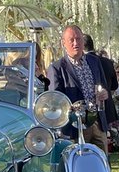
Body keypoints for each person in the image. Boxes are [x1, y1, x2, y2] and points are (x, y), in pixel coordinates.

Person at [46, 23, 110, 153]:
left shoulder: (94, 61)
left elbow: (104, 86)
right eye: (71, 40)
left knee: (102, 164)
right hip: (75, 128)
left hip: (97, 122)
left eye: (79, 39)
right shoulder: (57, 68)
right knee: (80, 165)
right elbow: (55, 100)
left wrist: (104, 94)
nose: (76, 43)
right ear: (63, 43)